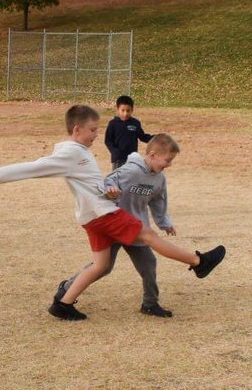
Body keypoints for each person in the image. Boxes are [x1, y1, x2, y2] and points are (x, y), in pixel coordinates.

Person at [0, 105, 226, 321]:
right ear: (77, 129)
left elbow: (90, 184)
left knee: (101, 266)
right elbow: (36, 167)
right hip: (104, 214)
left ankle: (63, 303)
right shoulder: (73, 153)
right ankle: (199, 262)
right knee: (149, 236)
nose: (96, 134)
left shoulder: (78, 152)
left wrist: (107, 190)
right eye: (92, 129)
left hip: (93, 218)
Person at [57, 134, 183, 317]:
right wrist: (110, 190)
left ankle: (150, 303)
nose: (169, 165)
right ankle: (67, 288)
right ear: (153, 154)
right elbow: (108, 182)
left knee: (148, 264)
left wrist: (164, 223)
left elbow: (158, 202)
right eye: (168, 160)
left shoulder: (159, 179)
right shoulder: (130, 171)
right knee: (103, 267)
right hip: (115, 225)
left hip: (137, 230)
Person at [104, 95, 152, 170]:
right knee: (118, 180)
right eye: (122, 110)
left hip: (132, 159)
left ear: (132, 110)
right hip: (118, 159)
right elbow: (108, 141)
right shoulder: (113, 124)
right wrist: (114, 151)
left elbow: (142, 137)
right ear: (117, 109)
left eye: (128, 110)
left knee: (131, 179)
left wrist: (155, 138)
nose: (125, 113)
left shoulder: (135, 123)